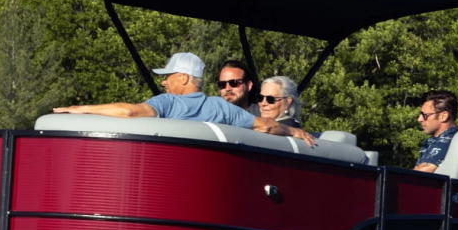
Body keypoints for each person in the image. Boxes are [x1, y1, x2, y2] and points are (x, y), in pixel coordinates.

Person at [53, 52, 316, 146]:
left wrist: (81, 109)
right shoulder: (221, 107)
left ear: (184, 78)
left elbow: (130, 113)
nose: (164, 82)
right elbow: (267, 126)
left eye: (168, 76)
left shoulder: (167, 103)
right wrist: (294, 131)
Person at [413, 89, 458, 173]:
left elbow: (424, 171)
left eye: (424, 115)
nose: (419, 119)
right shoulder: (436, 141)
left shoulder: (449, 141)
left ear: (443, 116)